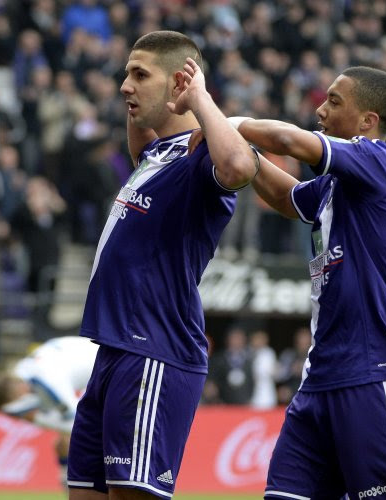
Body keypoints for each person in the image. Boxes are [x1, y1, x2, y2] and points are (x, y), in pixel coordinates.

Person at [66, 31, 259, 499]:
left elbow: (239, 168)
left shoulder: (200, 155)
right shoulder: (156, 154)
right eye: (126, 73)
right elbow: (141, 136)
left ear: (179, 83)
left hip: (155, 350)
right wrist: (149, 101)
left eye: (139, 75)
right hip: (115, 351)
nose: (124, 86)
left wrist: (199, 97)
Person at [230, 66, 386, 499]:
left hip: (373, 375)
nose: (320, 109)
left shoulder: (383, 162)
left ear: (367, 122)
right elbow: (287, 197)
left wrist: (222, 122)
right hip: (318, 381)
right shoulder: (338, 186)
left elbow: (288, 141)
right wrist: (243, 151)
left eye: (335, 102)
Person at [0, 336, 99, 480]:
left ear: (19, 391)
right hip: (88, 369)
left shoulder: (50, 380)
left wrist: (37, 419)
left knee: (83, 440)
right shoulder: (22, 374)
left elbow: (80, 425)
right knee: (64, 444)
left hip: (107, 366)